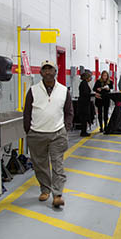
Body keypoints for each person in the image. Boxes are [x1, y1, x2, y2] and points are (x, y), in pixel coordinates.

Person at [23, 60, 73, 208]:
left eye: (50, 69)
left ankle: (57, 194)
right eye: (44, 70)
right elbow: (27, 112)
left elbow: (69, 111)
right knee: (40, 165)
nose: (48, 72)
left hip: (57, 133)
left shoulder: (63, 90)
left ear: (55, 72)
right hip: (36, 134)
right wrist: (29, 130)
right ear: (40, 73)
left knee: (58, 165)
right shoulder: (33, 90)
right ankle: (45, 189)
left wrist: (66, 128)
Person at [77, 70, 94, 137]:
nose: (91, 78)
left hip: (84, 102)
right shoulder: (84, 84)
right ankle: (83, 132)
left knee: (85, 117)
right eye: (90, 77)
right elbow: (86, 94)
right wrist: (93, 95)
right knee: (84, 117)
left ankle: (84, 131)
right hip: (83, 103)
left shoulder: (84, 83)